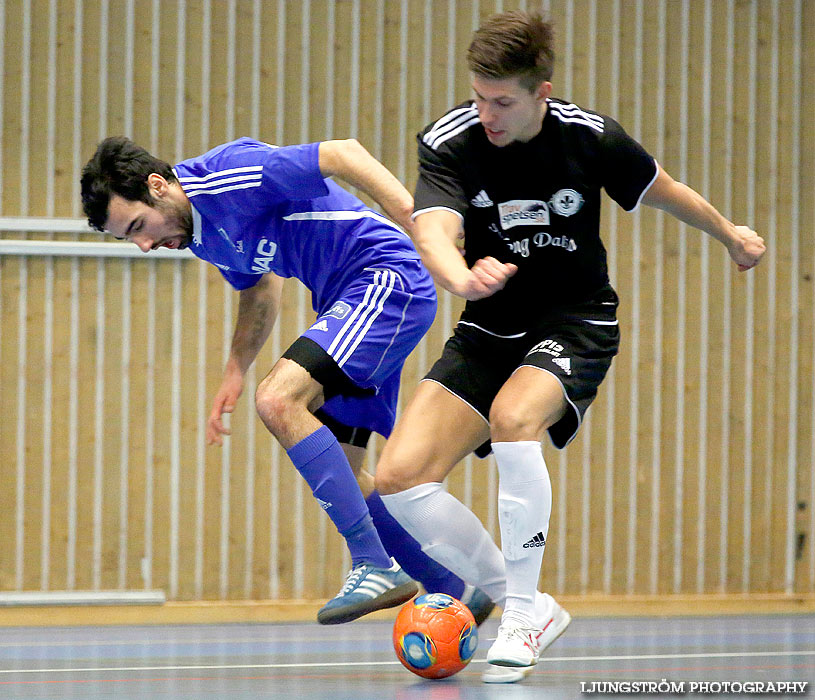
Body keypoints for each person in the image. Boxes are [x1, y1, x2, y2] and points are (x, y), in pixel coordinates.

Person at [375, 9, 766, 684]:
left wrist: (729, 234)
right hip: (489, 324)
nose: (486, 113)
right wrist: (459, 275)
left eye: (501, 101)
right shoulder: (453, 139)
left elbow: (666, 193)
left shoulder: (590, 138)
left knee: (513, 419)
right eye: (477, 96)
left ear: (540, 94)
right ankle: (527, 603)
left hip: (575, 320)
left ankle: (521, 616)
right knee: (398, 478)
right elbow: (433, 227)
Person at [80, 135, 494, 626]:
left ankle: (372, 563)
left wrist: (418, 223)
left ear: (158, 186)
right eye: (128, 239)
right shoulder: (198, 233)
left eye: (138, 226)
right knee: (347, 470)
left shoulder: (229, 176)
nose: (145, 244)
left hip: (385, 278)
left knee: (278, 400)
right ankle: (458, 590)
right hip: (346, 299)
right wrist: (234, 372)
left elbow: (344, 153)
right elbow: (259, 287)